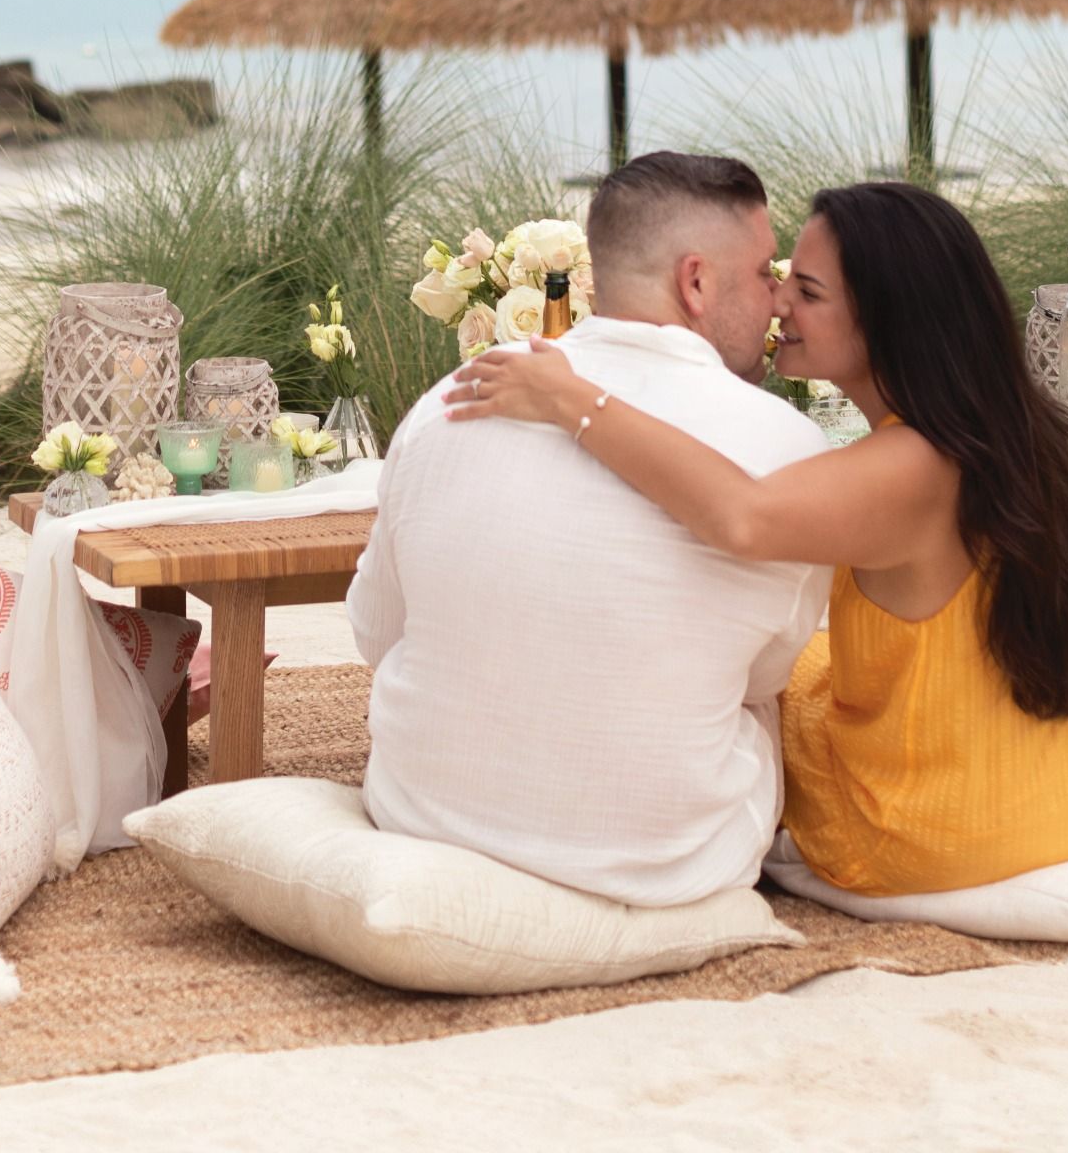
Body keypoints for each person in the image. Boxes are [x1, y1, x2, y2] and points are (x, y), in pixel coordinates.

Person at [446, 176, 1068, 896]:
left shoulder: (916, 466)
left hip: (948, 829)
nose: (777, 302)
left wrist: (573, 399)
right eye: (782, 278)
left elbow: (741, 517)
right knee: (810, 658)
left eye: (809, 291)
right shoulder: (1008, 431)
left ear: (887, 320)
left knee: (758, 687)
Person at [347, 150, 829, 905]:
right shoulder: (789, 446)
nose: (776, 299)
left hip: (424, 818)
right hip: (664, 864)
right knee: (763, 690)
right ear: (696, 282)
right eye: (766, 272)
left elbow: (377, 635)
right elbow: (769, 676)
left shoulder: (453, 397)